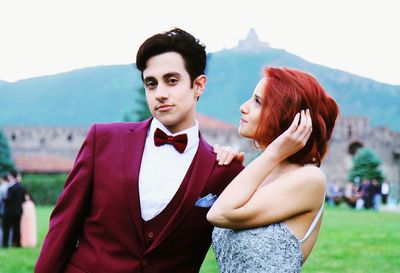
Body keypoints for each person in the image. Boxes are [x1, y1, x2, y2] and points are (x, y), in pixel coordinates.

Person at [35, 28, 244, 273]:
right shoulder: (102, 140)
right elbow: (62, 227)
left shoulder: (224, 170)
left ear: (198, 85)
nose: (160, 94)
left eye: (172, 81)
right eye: (151, 84)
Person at [207, 67, 339, 273]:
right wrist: (228, 164)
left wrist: (273, 152)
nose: (243, 107)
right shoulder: (259, 173)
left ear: (285, 117)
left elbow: (220, 214)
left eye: (258, 102)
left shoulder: (311, 178)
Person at [2, 169, 27, 247]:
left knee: (6, 228)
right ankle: (17, 243)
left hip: (9, 211)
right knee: (17, 228)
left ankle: (5, 244)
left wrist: (3, 199)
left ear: (11, 176)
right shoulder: (21, 187)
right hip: (18, 211)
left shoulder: (10, 187)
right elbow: (24, 199)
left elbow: (8, 200)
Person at [0, 174, 10, 246]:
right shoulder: (10, 186)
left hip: (2, 210)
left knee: (2, 227)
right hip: (8, 210)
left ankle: (2, 241)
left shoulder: (2, 188)